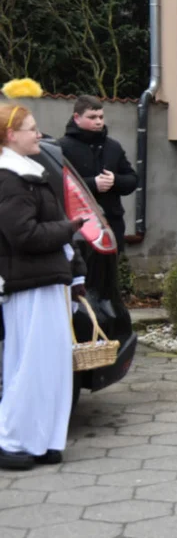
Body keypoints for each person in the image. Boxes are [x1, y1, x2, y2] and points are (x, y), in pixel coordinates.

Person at [0, 99, 87, 469]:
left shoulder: (28, 172)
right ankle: (11, 439)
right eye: (31, 128)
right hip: (28, 286)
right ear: (10, 135)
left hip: (47, 281)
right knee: (29, 367)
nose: (39, 133)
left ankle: (44, 439)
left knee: (51, 367)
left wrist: (76, 270)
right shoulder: (8, 177)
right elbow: (24, 235)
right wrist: (69, 228)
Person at [58, 95, 137, 250]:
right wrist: (93, 184)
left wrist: (115, 180)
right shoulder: (62, 147)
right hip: (78, 225)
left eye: (101, 117)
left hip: (112, 223)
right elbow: (59, 184)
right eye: (92, 117)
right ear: (77, 118)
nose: (98, 122)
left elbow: (132, 180)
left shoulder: (113, 147)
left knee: (111, 272)